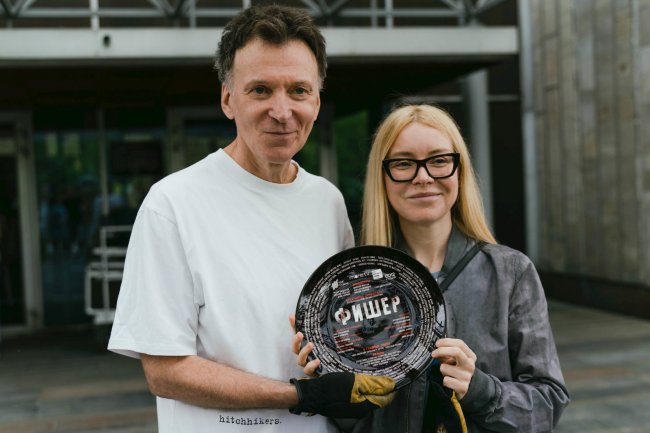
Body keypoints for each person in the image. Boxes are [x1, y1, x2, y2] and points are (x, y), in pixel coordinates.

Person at [107, 5, 395, 433]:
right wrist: (301, 396)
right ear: (228, 99)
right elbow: (165, 371)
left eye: (298, 91)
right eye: (260, 90)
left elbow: (343, 335)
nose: (282, 111)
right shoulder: (172, 204)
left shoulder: (328, 202)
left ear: (317, 101)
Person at [296, 104, 569, 432]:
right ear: (383, 177)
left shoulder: (511, 273)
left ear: (459, 171)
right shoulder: (353, 286)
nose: (423, 177)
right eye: (403, 163)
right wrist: (334, 390)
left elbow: (548, 405)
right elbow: (352, 424)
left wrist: (480, 389)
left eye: (439, 160)